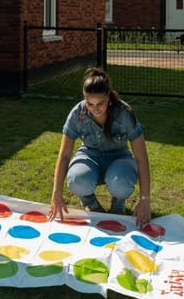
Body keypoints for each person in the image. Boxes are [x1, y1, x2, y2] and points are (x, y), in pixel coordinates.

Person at [47, 67, 152, 227]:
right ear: (84, 99)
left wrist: (145, 200)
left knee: (121, 183)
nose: (95, 109)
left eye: (100, 103)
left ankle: (118, 205)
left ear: (108, 96)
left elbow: (141, 157)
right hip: (89, 157)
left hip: (119, 159)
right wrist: (56, 193)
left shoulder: (124, 113)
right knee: (77, 180)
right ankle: (91, 204)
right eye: (90, 104)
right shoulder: (77, 113)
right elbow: (65, 155)